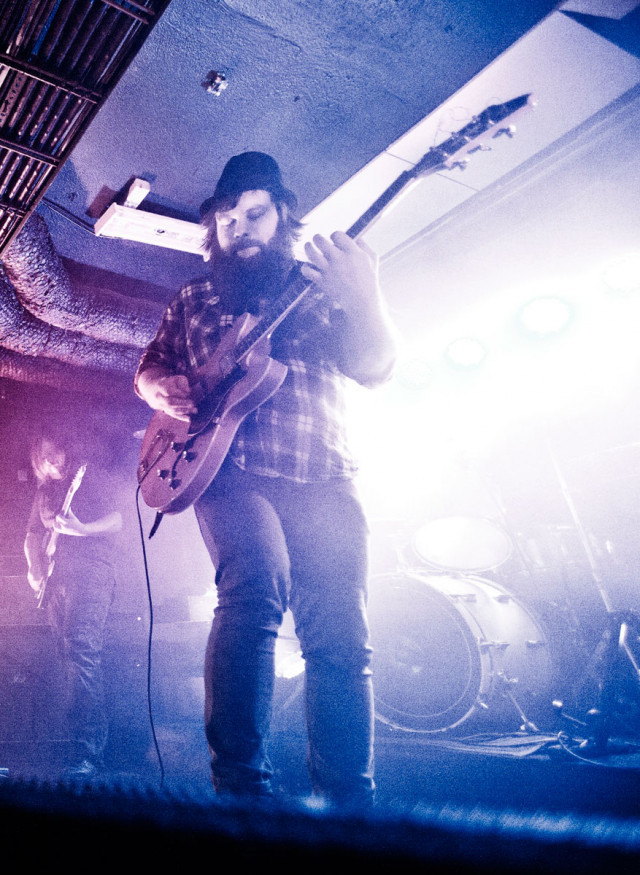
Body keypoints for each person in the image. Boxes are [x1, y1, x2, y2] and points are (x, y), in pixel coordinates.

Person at [135, 152, 397, 804]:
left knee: (340, 636)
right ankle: (241, 794)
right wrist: (165, 390)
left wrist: (365, 295)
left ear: (282, 216)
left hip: (324, 471)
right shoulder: (194, 296)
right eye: (226, 217)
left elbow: (375, 366)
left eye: (254, 212)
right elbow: (148, 370)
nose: (239, 226)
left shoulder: (322, 283)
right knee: (254, 589)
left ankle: (348, 806)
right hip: (226, 468)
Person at [24, 429, 122, 778]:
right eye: (44, 457)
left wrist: (81, 529)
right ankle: (75, 747)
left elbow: (118, 519)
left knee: (82, 650)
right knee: (68, 657)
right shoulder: (44, 494)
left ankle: (89, 752)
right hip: (57, 582)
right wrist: (35, 569)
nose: (52, 460)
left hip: (92, 573)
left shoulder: (88, 476)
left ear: (66, 452)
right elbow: (33, 535)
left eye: (56, 452)